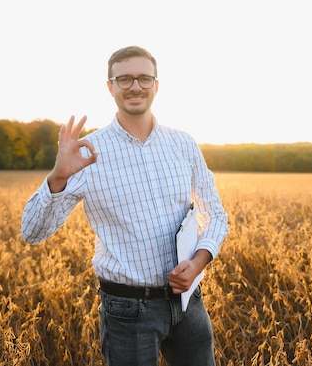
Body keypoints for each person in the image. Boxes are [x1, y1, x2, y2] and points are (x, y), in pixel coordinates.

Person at [21, 45, 229, 366]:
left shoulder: (183, 143)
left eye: (144, 78)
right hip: (128, 309)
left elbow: (215, 215)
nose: (135, 87)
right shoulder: (88, 152)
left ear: (156, 86)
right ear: (111, 87)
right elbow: (32, 232)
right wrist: (58, 176)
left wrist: (199, 263)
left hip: (190, 301)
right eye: (125, 79)